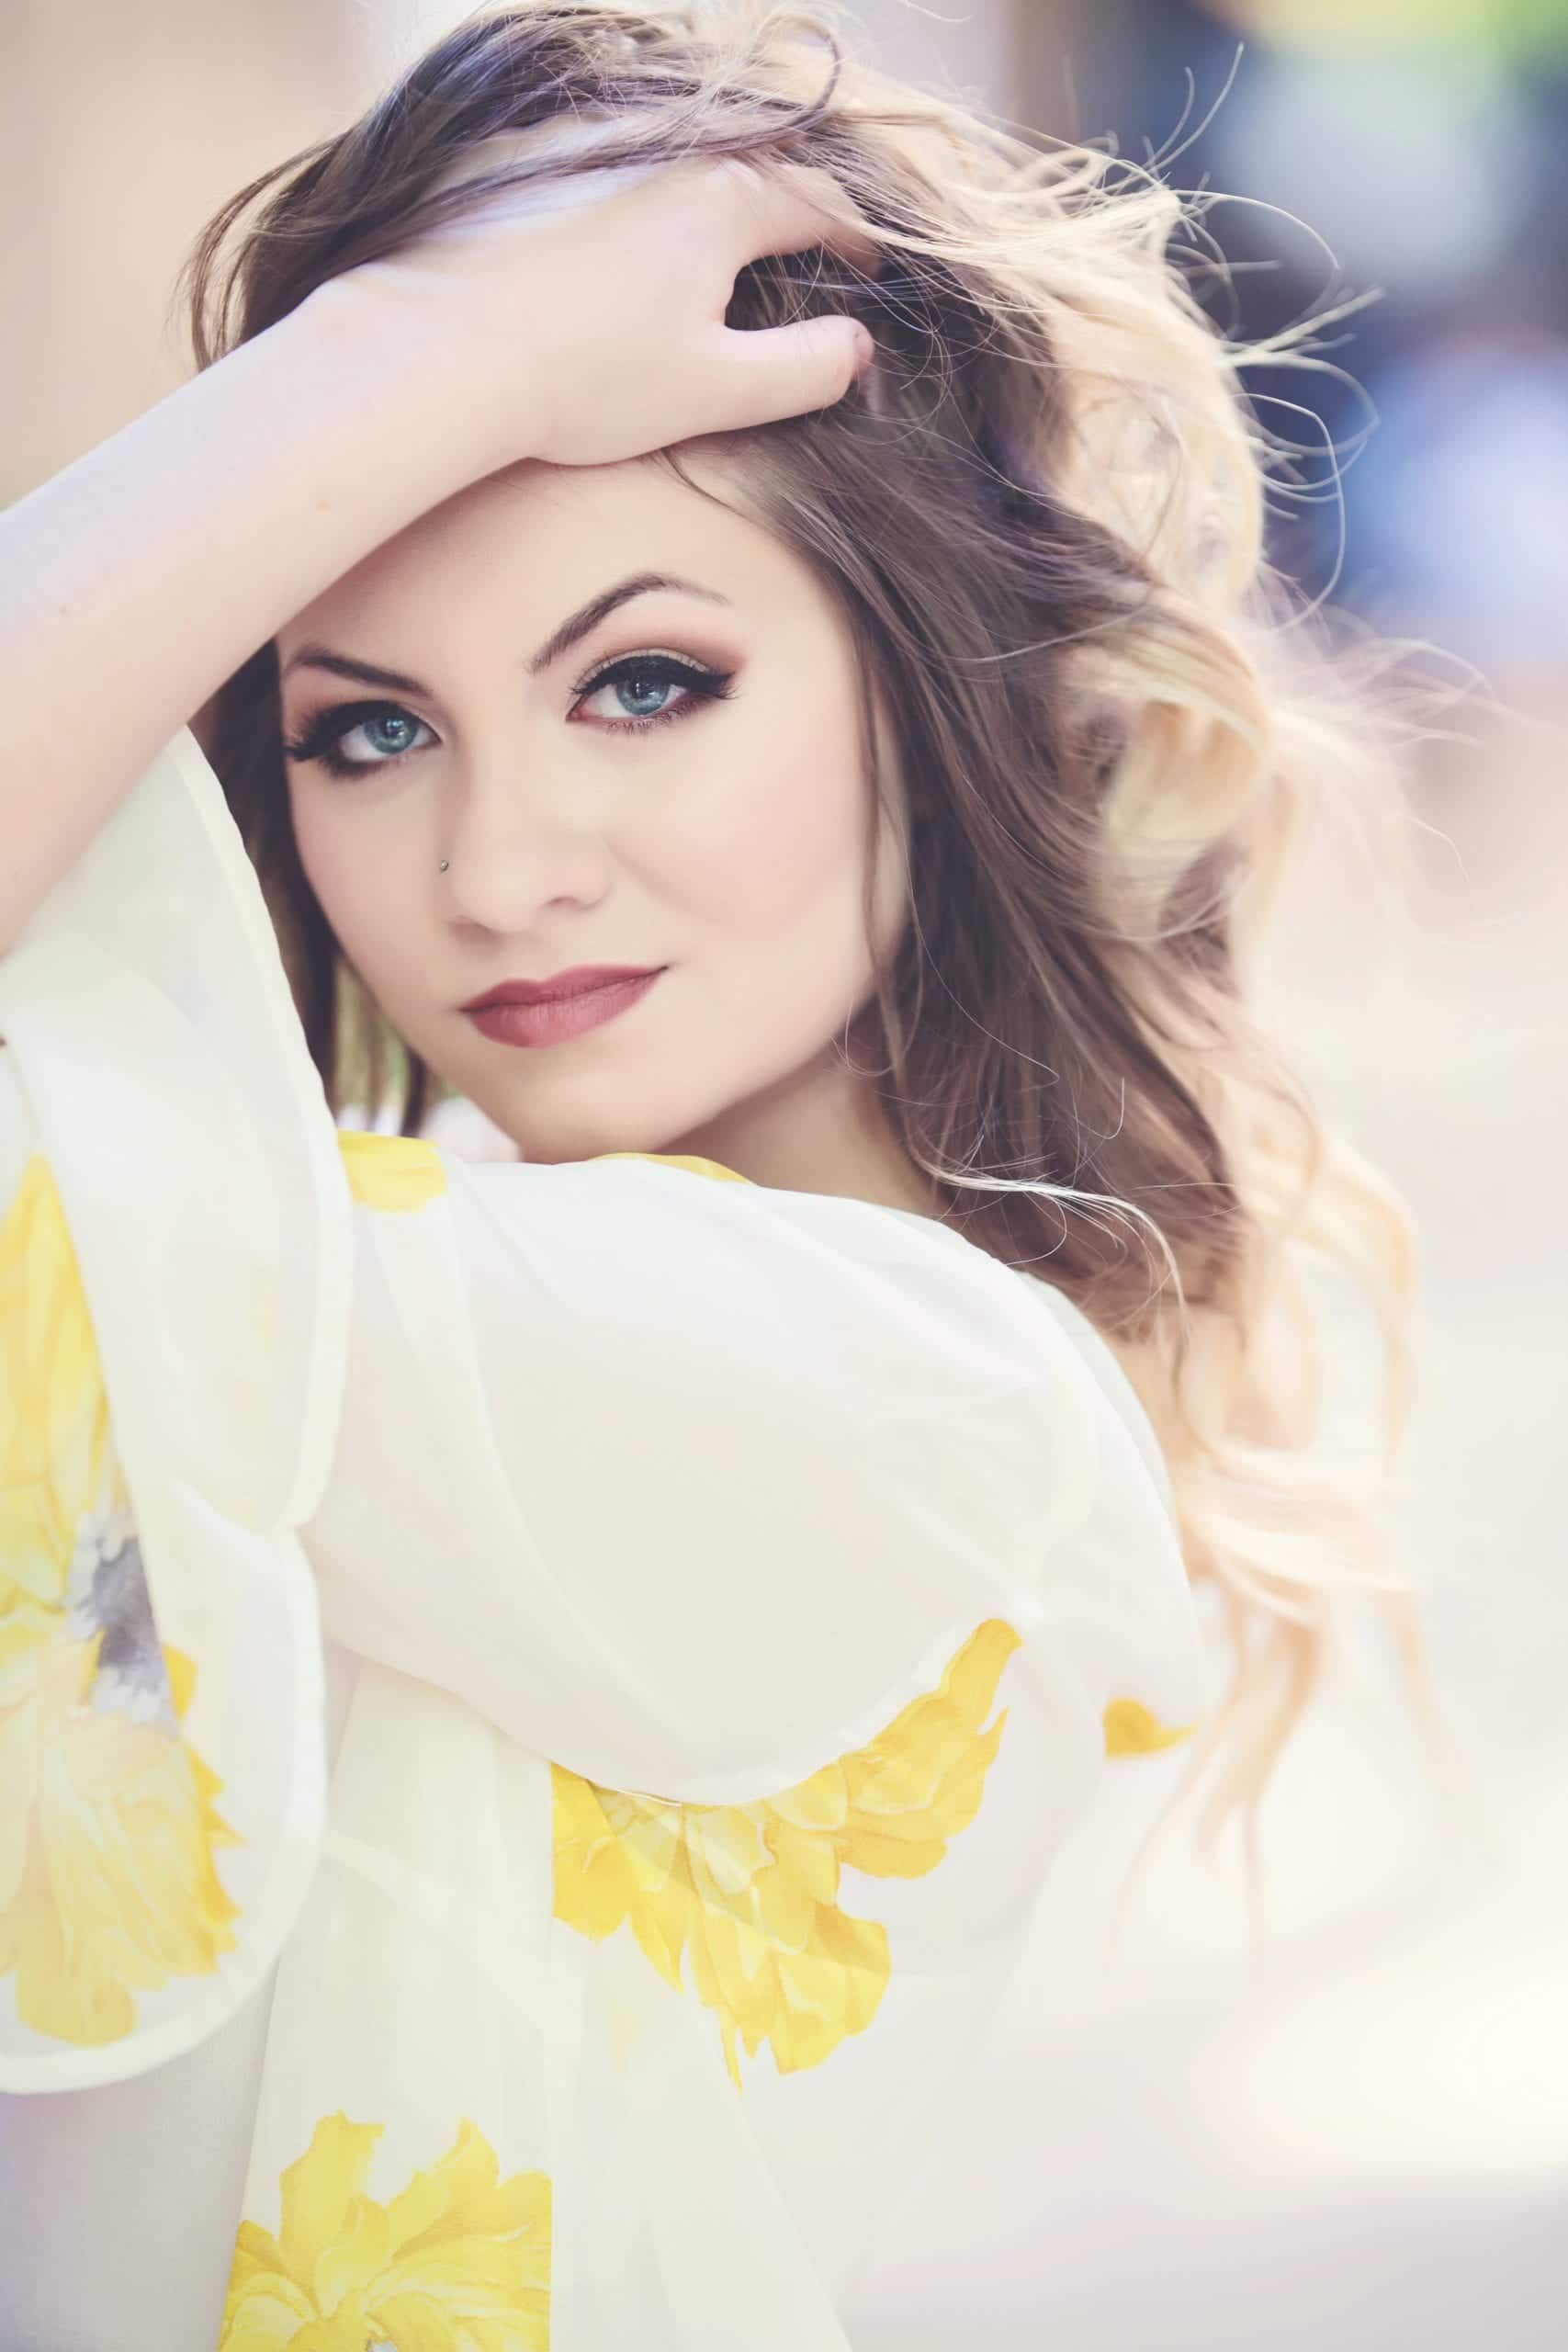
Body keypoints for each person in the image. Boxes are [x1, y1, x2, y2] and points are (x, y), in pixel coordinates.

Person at [0, 4, 1452, 2345]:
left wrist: (421, 361)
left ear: (935, 682)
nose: (492, 864)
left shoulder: (881, 1395)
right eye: (367, 728)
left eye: (645, 682)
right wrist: (427, 361)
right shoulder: (485, 1280)